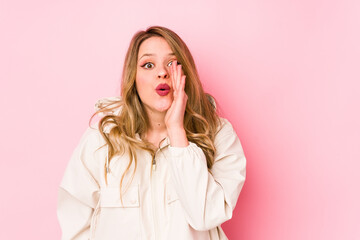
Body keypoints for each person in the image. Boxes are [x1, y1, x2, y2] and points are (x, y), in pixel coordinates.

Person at [57, 26, 246, 240]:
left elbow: (205, 216)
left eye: (172, 63)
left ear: (186, 73)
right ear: (134, 78)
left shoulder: (218, 135)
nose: (162, 72)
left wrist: (177, 132)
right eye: (148, 65)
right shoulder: (102, 139)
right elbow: (75, 222)